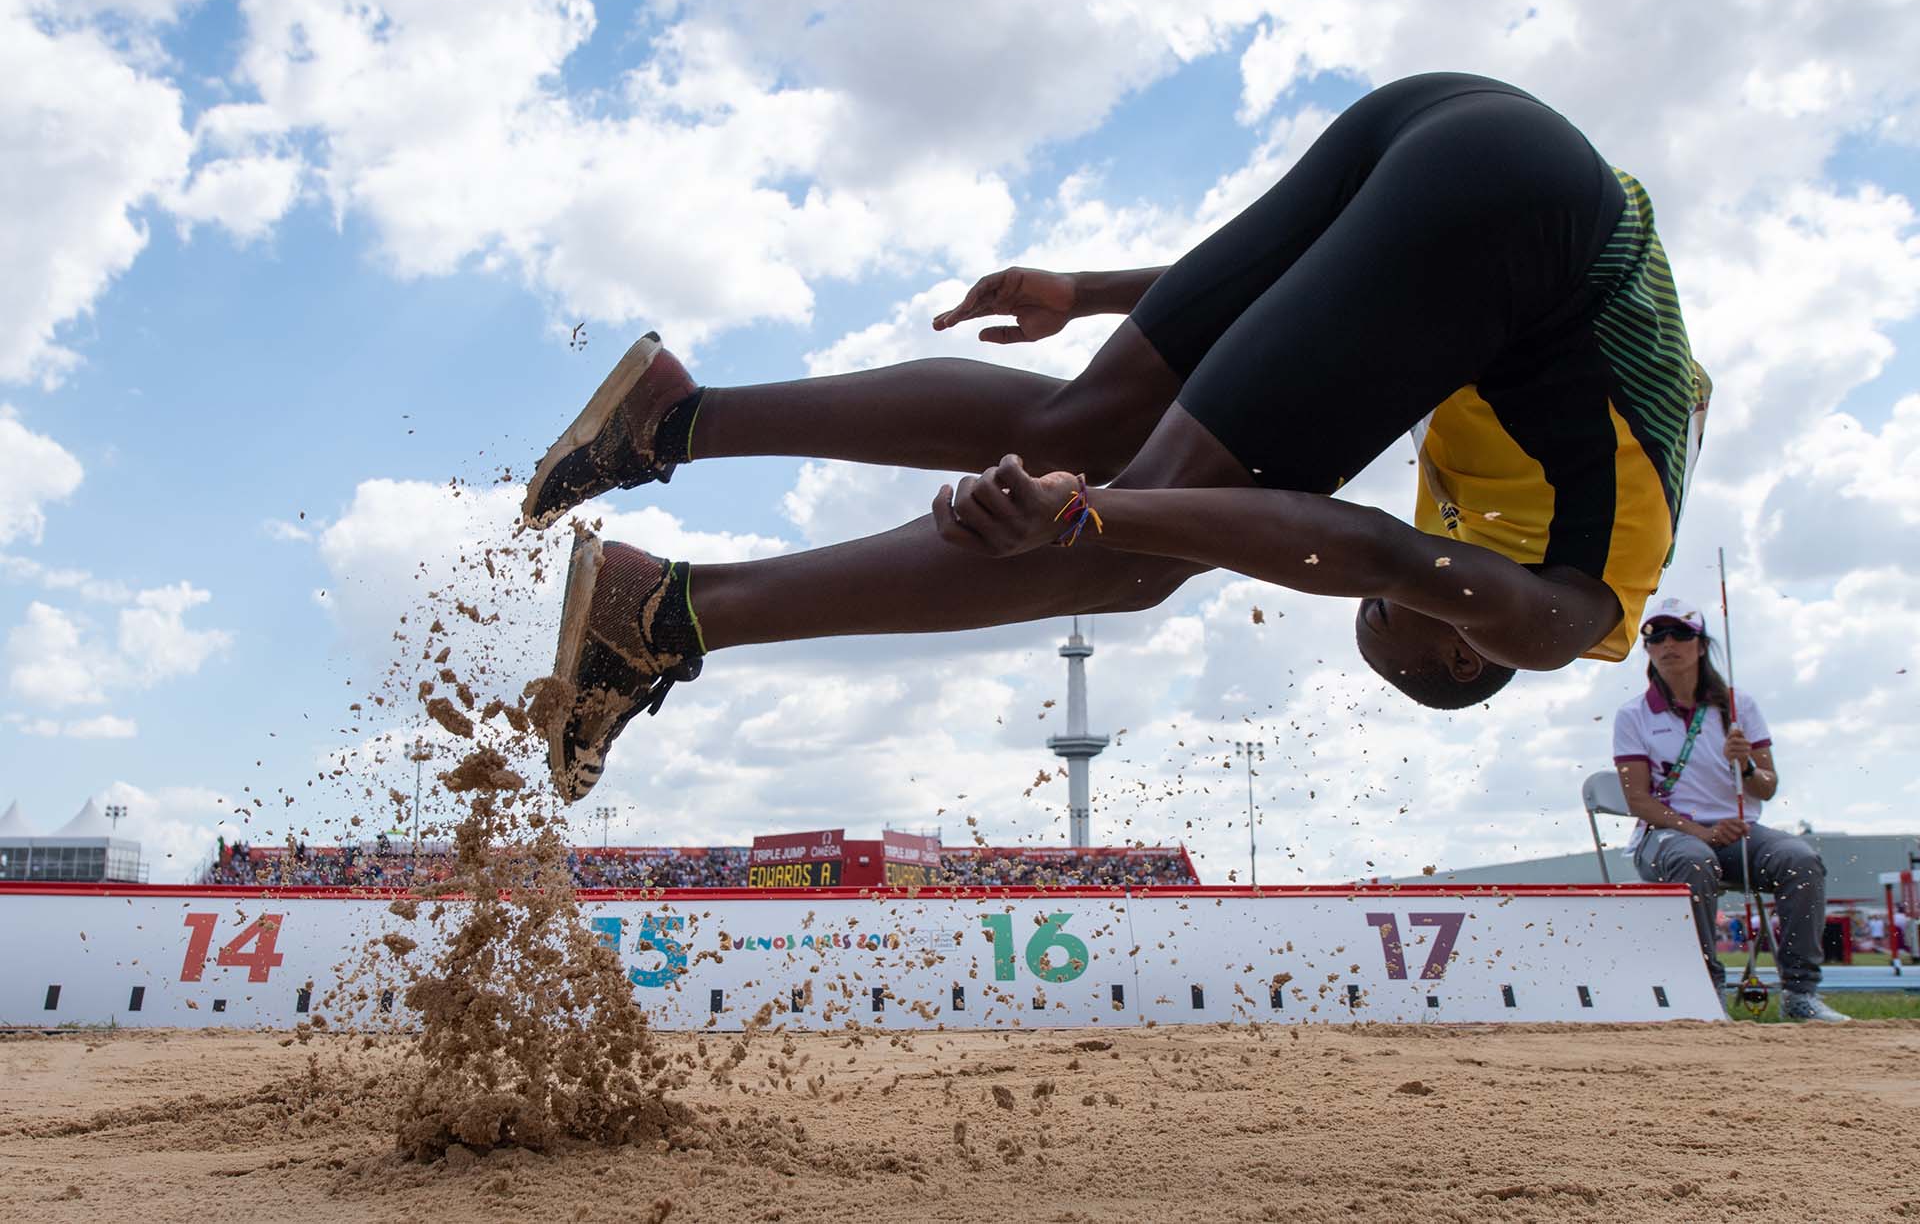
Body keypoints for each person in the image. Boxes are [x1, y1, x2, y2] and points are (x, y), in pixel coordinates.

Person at [520, 72, 1711, 803]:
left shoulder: (1528, 483)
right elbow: (1367, 551)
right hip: (1523, 215)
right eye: (1387, 631)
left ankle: (671, 417)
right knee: (1132, 559)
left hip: (1455, 125)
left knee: (1072, 420)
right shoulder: (1562, 618)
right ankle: (666, 613)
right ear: (1465, 651)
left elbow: (1351, 282)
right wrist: (1096, 512)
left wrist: (1094, 293)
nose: (1384, 597)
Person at [1611, 596, 1846, 1021]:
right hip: (1668, 839)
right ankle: (1706, 992)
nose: (1668, 644)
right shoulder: (1633, 715)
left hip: (1740, 835)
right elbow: (1638, 801)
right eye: (1656, 636)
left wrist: (1747, 764)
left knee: (1801, 859)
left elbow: (1768, 787)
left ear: (1700, 645)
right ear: (1646, 649)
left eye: (1680, 634)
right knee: (1693, 858)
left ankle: (1800, 993)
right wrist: (1702, 832)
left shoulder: (1740, 707)